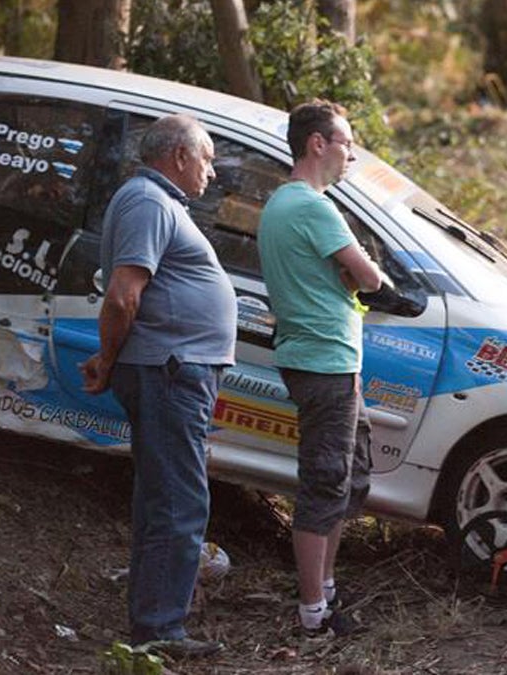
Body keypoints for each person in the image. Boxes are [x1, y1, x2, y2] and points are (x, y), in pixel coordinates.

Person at [80, 114, 234, 658]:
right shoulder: (148, 200)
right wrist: (107, 355)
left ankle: (152, 625)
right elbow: (123, 295)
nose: (212, 172)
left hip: (171, 369)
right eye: (208, 157)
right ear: (179, 156)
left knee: (163, 498)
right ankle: (160, 631)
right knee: (178, 502)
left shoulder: (157, 202)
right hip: (169, 370)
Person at [258, 100, 384, 639]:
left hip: (327, 359)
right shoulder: (312, 207)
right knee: (325, 480)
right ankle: (314, 611)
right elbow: (371, 278)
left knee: (347, 475)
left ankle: (326, 589)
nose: (350, 154)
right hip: (323, 361)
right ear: (317, 144)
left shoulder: (282, 204)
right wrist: (360, 271)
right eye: (346, 144)